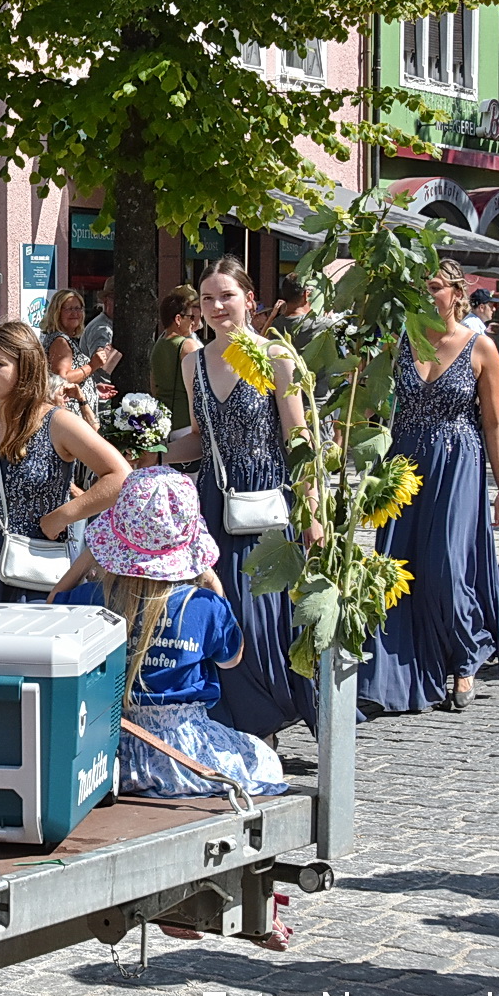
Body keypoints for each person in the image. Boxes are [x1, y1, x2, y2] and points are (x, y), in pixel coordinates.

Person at [49, 465, 288, 801]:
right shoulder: (202, 604)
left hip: (108, 753)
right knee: (262, 757)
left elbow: (52, 604)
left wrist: (90, 554)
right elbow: (233, 658)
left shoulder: (91, 599)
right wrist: (210, 581)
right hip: (181, 756)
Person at [167, 256, 319, 740]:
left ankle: (273, 709)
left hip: (268, 497)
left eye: (226, 296)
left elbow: (300, 438)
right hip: (214, 497)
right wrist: (144, 448)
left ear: (250, 301)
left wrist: (313, 512)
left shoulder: (276, 357)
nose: (215, 307)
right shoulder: (192, 361)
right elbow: (197, 437)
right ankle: (244, 723)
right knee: (222, 605)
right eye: (206, 299)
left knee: (265, 612)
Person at [359, 262, 499, 715]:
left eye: (433, 288)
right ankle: (400, 669)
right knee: (397, 564)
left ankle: (465, 656)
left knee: (447, 564)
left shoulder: (480, 347)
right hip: (405, 462)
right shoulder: (398, 344)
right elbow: (371, 404)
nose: (426, 296)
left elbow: (494, 422)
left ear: (456, 293)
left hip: (458, 462)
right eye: (419, 289)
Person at [0, 322, 130, 602]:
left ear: (26, 366)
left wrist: (63, 516)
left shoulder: (57, 422)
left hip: (38, 562)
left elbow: (121, 477)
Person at [39, 289, 113, 419]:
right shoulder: (60, 341)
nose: (75, 313)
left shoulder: (64, 338)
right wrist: (92, 365)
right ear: (57, 312)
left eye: (78, 308)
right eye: (69, 309)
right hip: (71, 414)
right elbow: (62, 379)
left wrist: (93, 388)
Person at [151, 286, 202, 429]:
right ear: (178, 319)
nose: (193, 321)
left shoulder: (157, 346)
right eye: (190, 317)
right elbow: (203, 387)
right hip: (187, 423)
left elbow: (154, 386)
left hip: (164, 422)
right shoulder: (188, 346)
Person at [81, 288, 117, 388]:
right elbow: (102, 365)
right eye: (116, 298)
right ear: (106, 300)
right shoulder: (101, 328)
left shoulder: (109, 324)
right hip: (102, 394)